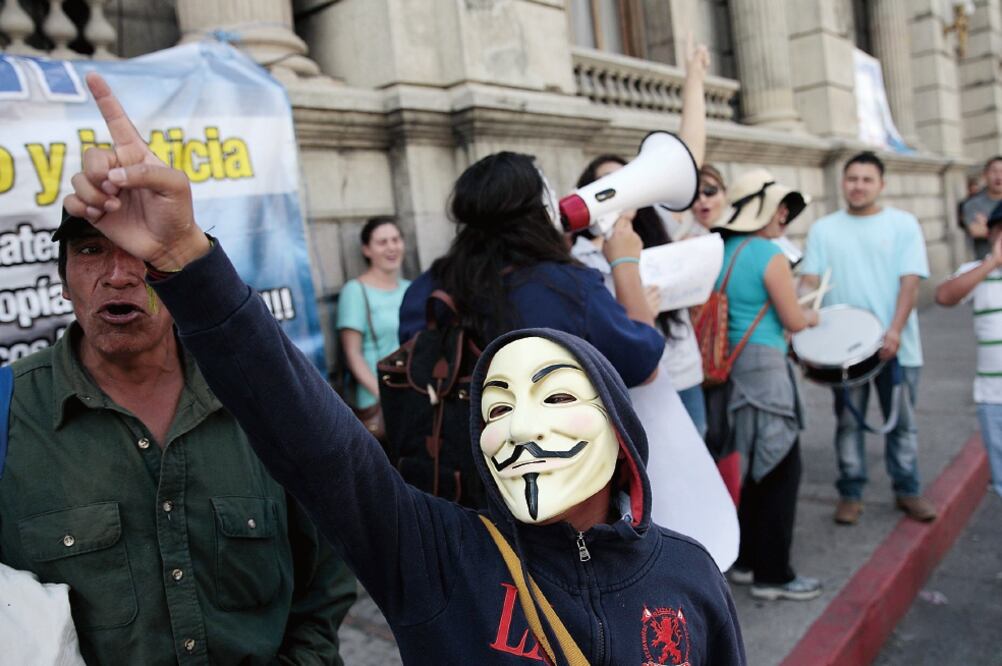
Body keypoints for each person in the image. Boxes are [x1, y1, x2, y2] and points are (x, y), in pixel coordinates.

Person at [64, 71, 746, 665]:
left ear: (616, 425)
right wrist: (187, 259)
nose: (520, 428)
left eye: (555, 395)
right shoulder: (438, 560)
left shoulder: (690, 577)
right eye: (497, 407)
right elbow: (313, 440)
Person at [0, 208, 357, 664]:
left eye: (142, 251)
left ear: (182, 276)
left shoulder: (265, 399)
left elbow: (327, 577)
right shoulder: (9, 411)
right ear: (65, 282)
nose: (117, 275)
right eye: (90, 250)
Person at [398, 150, 664, 389]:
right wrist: (625, 263)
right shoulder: (569, 287)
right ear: (543, 210)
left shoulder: (425, 287)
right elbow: (643, 367)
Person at [801, 151, 937, 525]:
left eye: (866, 179)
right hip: (844, 351)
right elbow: (809, 283)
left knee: (903, 423)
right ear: (843, 183)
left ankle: (907, 489)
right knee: (849, 423)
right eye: (852, 179)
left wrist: (894, 329)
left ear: (881, 185)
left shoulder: (903, 224)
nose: (858, 186)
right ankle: (851, 492)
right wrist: (800, 327)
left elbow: (909, 282)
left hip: (897, 346)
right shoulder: (823, 229)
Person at [710, 169, 821, 601]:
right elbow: (794, 319)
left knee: (752, 469)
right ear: (762, 210)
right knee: (779, 469)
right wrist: (814, 316)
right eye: (780, 206)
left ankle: (749, 560)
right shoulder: (769, 255)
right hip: (765, 372)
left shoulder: (720, 252)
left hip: (727, 372)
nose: (785, 214)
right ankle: (774, 576)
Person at [935, 200, 1002, 498]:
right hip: (993, 397)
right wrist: (991, 264)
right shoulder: (977, 271)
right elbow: (944, 296)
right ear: (992, 236)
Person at [336, 217, 409, 411]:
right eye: (382, 242)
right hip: (378, 400)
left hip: (414, 393)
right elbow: (352, 354)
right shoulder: (355, 291)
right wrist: (383, 394)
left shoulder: (411, 289)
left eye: (396, 239)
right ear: (366, 249)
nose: (391, 247)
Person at [960, 156, 1002, 258]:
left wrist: (988, 226)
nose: (999, 176)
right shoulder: (972, 204)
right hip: (985, 266)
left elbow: (984, 230)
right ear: (985, 175)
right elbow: (976, 231)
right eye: (994, 171)